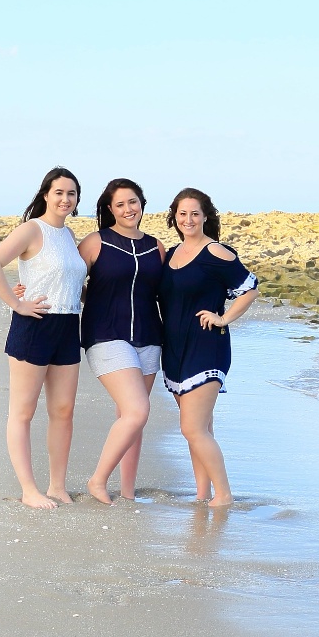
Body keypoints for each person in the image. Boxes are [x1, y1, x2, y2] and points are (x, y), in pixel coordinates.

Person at [0, 167, 87, 509]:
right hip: (35, 325)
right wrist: (17, 303)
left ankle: (57, 486)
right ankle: (29, 490)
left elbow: (74, 286)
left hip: (68, 325)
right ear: (45, 194)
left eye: (71, 193)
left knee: (63, 410)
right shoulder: (31, 229)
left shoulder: (70, 237)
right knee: (23, 412)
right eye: (59, 192)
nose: (65, 199)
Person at [159, 188, 258, 507]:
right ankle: (202, 494)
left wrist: (223, 317)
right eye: (182, 213)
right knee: (198, 428)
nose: (188, 219)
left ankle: (224, 495)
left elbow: (249, 288)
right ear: (174, 216)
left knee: (192, 427)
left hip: (206, 346)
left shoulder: (217, 252)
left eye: (195, 214)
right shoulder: (171, 253)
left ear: (205, 217)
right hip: (174, 350)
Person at [75, 179, 166, 504]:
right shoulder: (96, 242)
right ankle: (98, 481)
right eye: (120, 204)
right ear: (109, 209)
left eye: (133, 202)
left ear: (142, 204)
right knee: (137, 410)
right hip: (105, 334)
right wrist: (26, 290)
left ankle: (128, 492)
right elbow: (67, 278)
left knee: (131, 418)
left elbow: (168, 292)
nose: (129, 209)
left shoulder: (155, 246)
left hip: (149, 337)